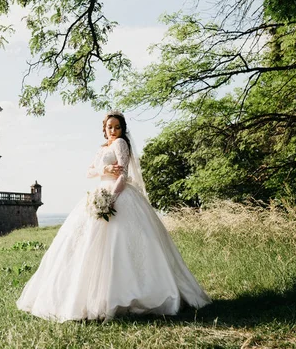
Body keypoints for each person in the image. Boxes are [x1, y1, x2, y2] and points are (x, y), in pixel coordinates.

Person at [16, 111, 211, 322]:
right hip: (99, 191)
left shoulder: (120, 144)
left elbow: (124, 175)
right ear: (104, 128)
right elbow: (90, 171)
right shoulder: (103, 148)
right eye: (109, 127)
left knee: (120, 244)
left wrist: (111, 198)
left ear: (122, 129)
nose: (113, 130)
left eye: (117, 127)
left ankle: (126, 294)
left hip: (117, 193)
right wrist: (105, 167)